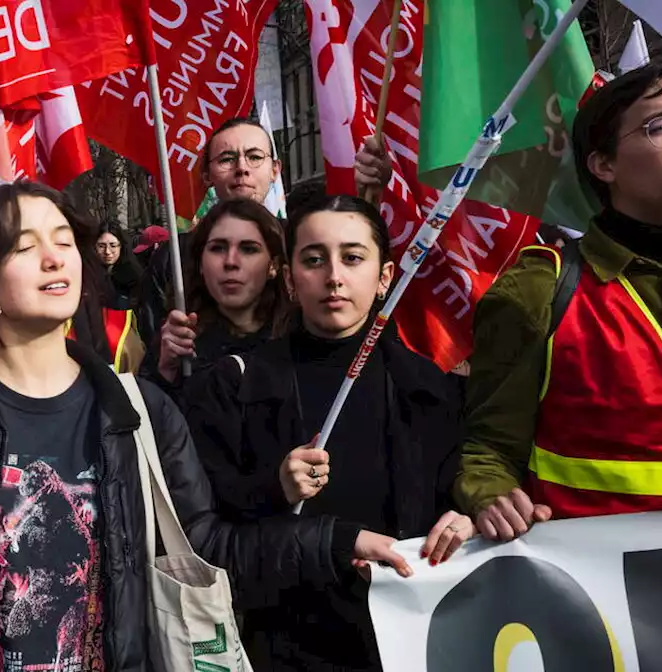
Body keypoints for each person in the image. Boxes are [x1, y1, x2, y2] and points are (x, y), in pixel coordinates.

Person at [0, 180, 412, 671]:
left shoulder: (138, 410)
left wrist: (332, 540)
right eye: (26, 247)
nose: (57, 257)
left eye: (65, 242)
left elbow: (207, 549)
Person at [183, 194, 468, 672]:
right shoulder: (232, 387)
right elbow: (206, 540)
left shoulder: (433, 390)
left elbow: (463, 495)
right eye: (314, 260)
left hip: (411, 642)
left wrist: (469, 519)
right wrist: (274, 489)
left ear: (384, 277)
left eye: (353, 258)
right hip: (285, 648)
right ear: (291, 279)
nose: (334, 276)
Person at [455, 57, 662, 539]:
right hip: (609, 599)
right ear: (603, 164)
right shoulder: (539, 290)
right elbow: (489, 451)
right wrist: (491, 498)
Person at [138, 117, 285, 348]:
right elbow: (152, 345)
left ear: (275, 170)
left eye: (255, 157)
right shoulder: (173, 257)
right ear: (206, 175)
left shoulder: (299, 244)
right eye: (227, 159)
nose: (242, 169)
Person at [145, 198, 292, 397]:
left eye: (248, 249)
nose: (231, 262)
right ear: (200, 264)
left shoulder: (299, 338)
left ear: (273, 265)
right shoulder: (178, 341)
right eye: (218, 248)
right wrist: (165, 371)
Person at [95, 220, 141, 309]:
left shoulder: (133, 275)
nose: (107, 252)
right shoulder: (87, 273)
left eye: (113, 245)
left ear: (121, 246)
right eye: (101, 246)